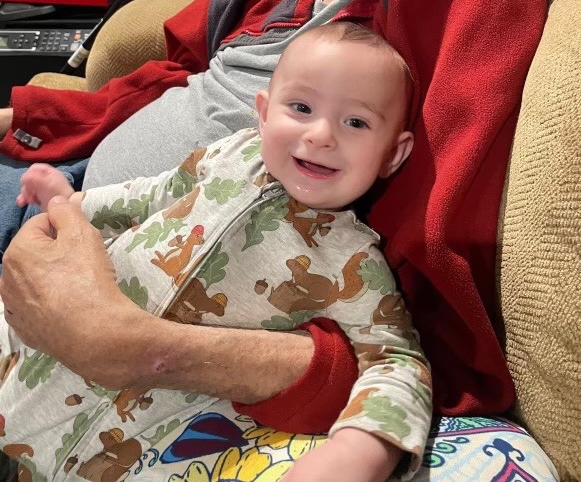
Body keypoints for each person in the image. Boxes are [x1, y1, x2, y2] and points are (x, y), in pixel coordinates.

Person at [0, 0, 549, 476]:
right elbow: (169, 78)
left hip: (127, 260)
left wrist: (141, 344)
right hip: (67, 190)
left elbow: (419, 306)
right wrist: (27, 118)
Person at [3, 24, 430, 481]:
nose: (322, 134)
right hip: (35, 366)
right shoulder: (228, 155)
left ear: (393, 155)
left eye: (356, 122)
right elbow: (149, 196)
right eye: (301, 107)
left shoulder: (355, 262)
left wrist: (360, 450)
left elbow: (395, 361)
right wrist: (71, 204)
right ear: (263, 114)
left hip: (130, 446)